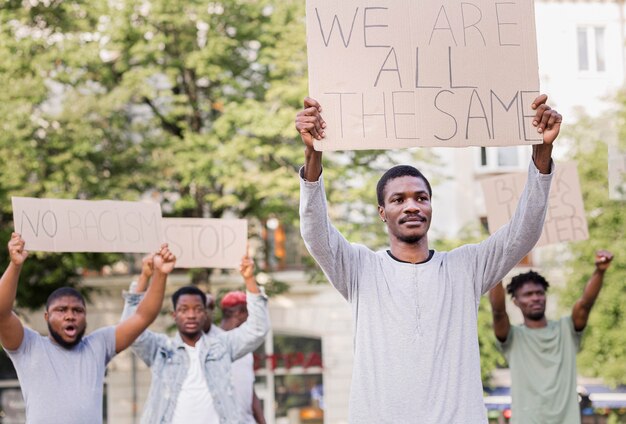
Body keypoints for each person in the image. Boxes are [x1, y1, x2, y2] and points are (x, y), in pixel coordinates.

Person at [295, 94, 562, 423]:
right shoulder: (360, 268)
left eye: (421, 197)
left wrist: (541, 156)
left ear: (430, 207)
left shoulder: (465, 267)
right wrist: (312, 156)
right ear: (382, 212)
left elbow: (524, 232)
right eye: (398, 199)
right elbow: (315, 233)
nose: (411, 206)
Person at [0, 233, 175, 424]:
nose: (70, 315)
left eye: (77, 310)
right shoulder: (29, 346)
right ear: (46, 317)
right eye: (61, 310)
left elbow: (143, 317)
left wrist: (161, 274)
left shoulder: (98, 345)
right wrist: (15, 265)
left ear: (85, 318)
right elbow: (2, 312)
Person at [122, 253, 269, 424]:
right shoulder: (161, 349)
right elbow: (129, 329)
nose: (191, 315)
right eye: (184, 309)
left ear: (205, 313)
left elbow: (257, 329)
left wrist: (249, 278)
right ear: (174, 315)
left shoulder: (222, 346)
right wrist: (144, 277)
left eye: (198, 309)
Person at [489, 250, 614, 424]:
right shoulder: (512, 337)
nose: (536, 298)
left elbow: (585, 304)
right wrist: (497, 270)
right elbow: (498, 311)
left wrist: (599, 271)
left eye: (539, 293)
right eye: (528, 294)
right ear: (516, 302)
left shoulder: (566, 329)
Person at [220, 289, 267, 424]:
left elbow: (250, 391)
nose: (251, 321)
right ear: (240, 313)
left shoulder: (245, 348)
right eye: (249, 314)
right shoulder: (213, 344)